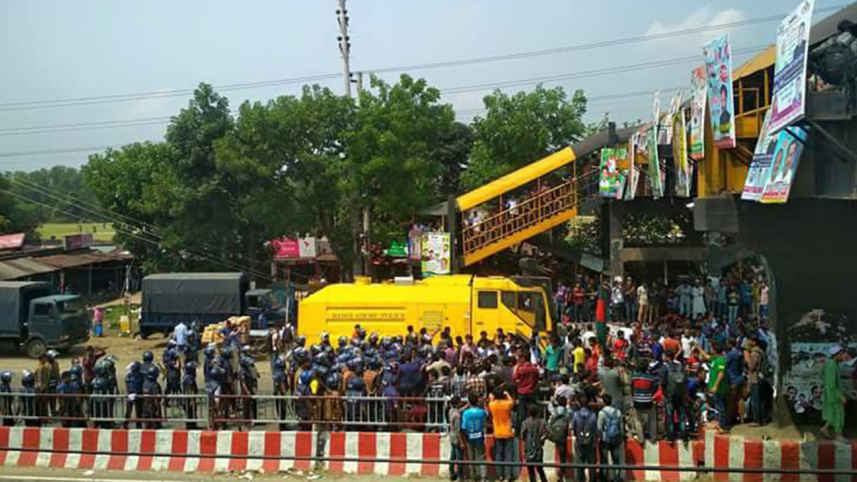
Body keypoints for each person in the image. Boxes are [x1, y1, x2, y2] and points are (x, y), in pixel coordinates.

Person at [487, 388, 516, 481]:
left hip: (497, 432)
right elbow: (512, 401)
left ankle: (500, 475)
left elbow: (490, 401)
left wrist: (492, 398)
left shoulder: (492, 405)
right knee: (508, 455)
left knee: (499, 454)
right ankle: (508, 476)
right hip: (507, 431)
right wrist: (507, 393)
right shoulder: (507, 404)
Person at [820, 346, 847, 442]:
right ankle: (838, 435)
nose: (843, 356)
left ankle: (825, 428)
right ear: (837, 355)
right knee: (839, 414)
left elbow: (822, 375)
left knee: (833, 413)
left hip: (831, 393)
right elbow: (831, 384)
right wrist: (840, 396)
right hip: (833, 394)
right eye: (841, 354)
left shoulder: (831, 364)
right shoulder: (832, 366)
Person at [460, 394, 487, 482]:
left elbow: (463, 427)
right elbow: (487, 417)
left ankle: (473, 476)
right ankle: (483, 477)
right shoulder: (481, 412)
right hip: (479, 436)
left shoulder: (466, 413)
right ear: (477, 401)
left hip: (470, 437)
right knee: (481, 457)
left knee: (471, 458)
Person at [598, 393, 625, 482]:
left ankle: (605, 478)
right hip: (616, 438)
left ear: (603, 402)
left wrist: (600, 437)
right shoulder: (617, 412)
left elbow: (599, 428)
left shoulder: (601, 413)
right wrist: (621, 437)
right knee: (616, 460)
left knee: (604, 460)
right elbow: (621, 426)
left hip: (605, 439)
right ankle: (616, 477)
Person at [572, 396, 597, 482]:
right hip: (590, 442)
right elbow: (595, 428)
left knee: (579, 462)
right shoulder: (593, 415)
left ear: (579, 404)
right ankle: (592, 479)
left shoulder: (576, 415)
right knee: (591, 462)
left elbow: (573, 428)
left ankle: (580, 479)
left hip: (579, 441)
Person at [521, 404, 549, 482]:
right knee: (540, 469)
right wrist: (542, 438)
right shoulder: (542, 422)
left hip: (529, 448)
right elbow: (549, 432)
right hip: (538, 448)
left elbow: (522, 435)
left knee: (531, 470)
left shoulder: (525, 423)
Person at [548, 395, 571, 482]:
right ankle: (562, 472)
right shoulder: (568, 411)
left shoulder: (554, 410)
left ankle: (560, 474)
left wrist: (552, 401)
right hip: (563, 435)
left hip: (555, 434)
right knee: (563, 456)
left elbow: (549, 407)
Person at [745, 337, 767, 426]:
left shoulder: (755, 353)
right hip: (760, 378)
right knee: (760, 400)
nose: (747, 342)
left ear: (754, 342)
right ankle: (762, 419)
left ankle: (757, 420)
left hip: (755, 379)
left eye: (749, 340)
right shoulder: (761, 352)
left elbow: (751, 366)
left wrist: (747, 357)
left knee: (755, 400)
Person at [707, 345, 729, 431]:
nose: (710, 350)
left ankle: (722, 425)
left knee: (721, 406)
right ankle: (718, 422)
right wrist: (698, 347)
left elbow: (721, 373)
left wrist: (715, 386)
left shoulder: (721, 361)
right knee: (717, 406)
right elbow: (706, 356)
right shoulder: (715, 359)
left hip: (720, 388)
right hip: (715, 388)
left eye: (712, 349)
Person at [447, 396, 464, 481]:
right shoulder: (457, 416)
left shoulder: (451, 411)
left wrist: (467, 406)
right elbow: (458, 430)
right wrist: (461, 442)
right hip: (456, 437)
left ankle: (451, 472)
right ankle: (459, 476)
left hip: (451, 435)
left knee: (453, 455)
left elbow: (458, 410)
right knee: (459, 457)